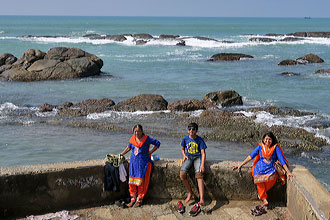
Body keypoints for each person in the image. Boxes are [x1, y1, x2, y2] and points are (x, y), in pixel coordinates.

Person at [233, 131, 295, 208]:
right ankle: (264, 198)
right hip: (260, 168)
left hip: (271, 168)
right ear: (263, 139)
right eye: (266, 139)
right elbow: (251, 156)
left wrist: (288, 172)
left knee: (272, 178)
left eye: (269, 139)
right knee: (258, 178)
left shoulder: (276, 147)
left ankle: (262, 194)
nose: (267, 141)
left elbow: (281, 160)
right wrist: (241, 165)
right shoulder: (260, 146)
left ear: (272, 140)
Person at [120, 124, 160, 207]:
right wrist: (121, 154)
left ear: (142, 131)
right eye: (135, 131)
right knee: (132, 181)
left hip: (143, 163)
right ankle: (133, 198)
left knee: (142, 181)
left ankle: (139, 199)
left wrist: (151, 152)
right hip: (133, 163)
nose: (136, 133)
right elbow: (128, 148)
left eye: (138, 131)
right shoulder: (132, 139)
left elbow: (157, 143)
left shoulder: (147, 139)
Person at [179, 122, 207, 207]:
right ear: (188, 131)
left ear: (196, 131)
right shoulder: (185, 139)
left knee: (199, 175)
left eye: (193, 129)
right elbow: (182, 148)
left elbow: (203, 153)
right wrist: (184, 156)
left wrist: (202, 165)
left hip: (197, 157)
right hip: (188, 157)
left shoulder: (200, 140)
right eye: (189, 129)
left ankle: (202, 198)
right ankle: (190, 193)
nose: (191, 130)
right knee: (182, 174)